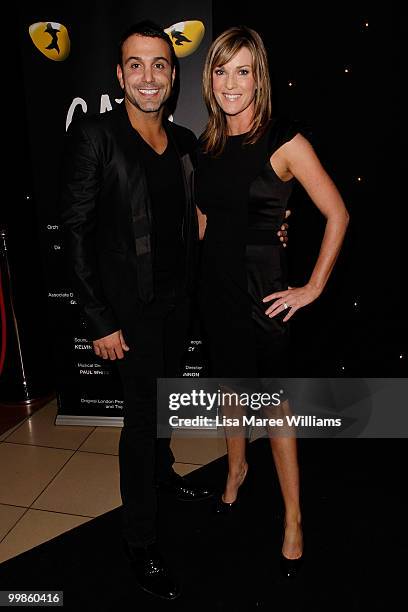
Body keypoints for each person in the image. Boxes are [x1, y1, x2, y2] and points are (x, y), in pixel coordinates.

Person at [59, 21, 214, 601]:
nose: (149, 76)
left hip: (178, 302)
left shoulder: (184, 142)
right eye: (137, 65)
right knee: (141, 420)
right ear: (120, 74)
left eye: (160, 65)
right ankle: (140, 539)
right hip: (128, 313)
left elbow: (202, 217)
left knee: (164, 404)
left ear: (173, 76)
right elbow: (73, 235)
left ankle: (163, 475)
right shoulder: (95, 137)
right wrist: (99, 320)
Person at [195, 26, 350, 578]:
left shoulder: (285, 141)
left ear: (257, 76)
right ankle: (235, 469)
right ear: (209, 79)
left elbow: (338, 213)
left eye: (242, 70)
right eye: (220, 70)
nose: (230, 82)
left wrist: (313, 287)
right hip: (215, 291)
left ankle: (293, 518)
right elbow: (206, 220)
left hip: (265, 294)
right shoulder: (207, 144)